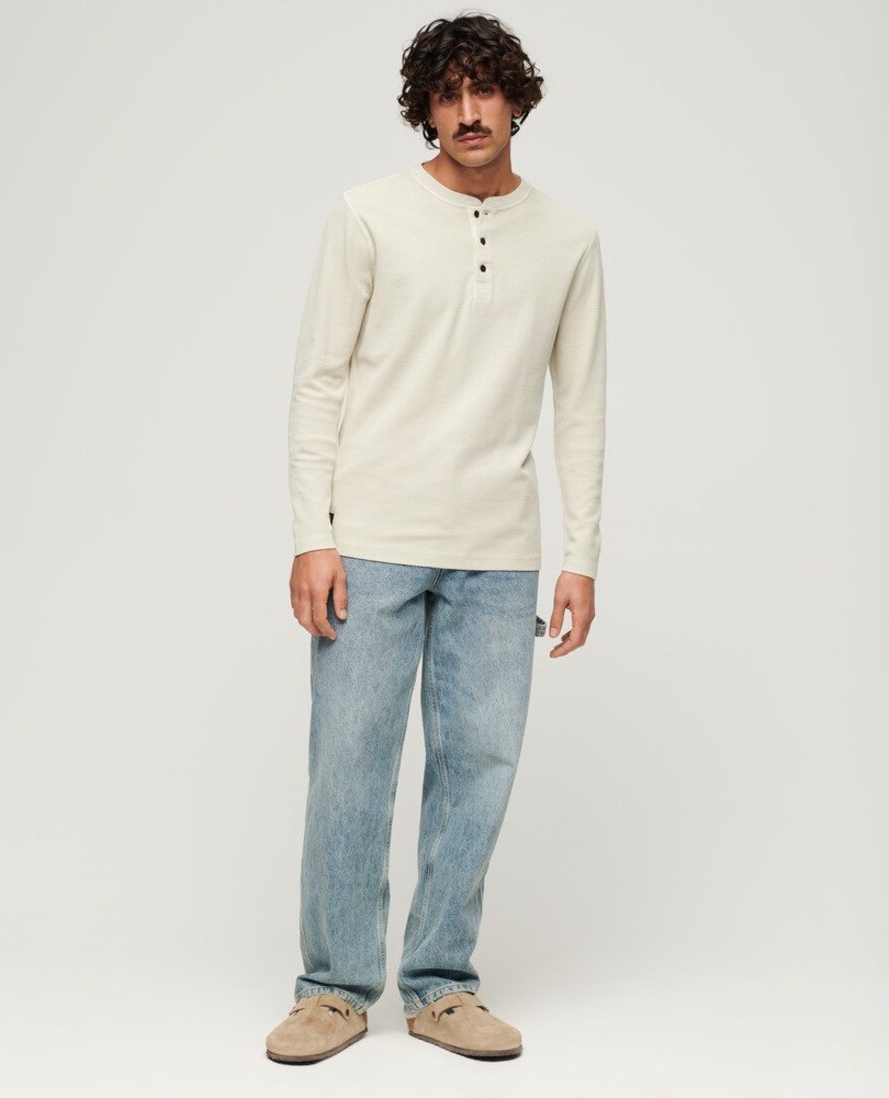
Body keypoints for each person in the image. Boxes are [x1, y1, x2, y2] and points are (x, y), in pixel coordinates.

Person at [265, 11, 608, 1064]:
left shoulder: (568, 239)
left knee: (479, 767)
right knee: (350, 766)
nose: (468, 111)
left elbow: (581, 406)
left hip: (499, 550)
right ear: (427, 107)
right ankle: (333, 990)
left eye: (484, 90)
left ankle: (442, 985)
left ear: (516, 100)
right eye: (448, 93)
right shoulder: (367, 215)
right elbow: (320, 379)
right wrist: (312, 533)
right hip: (370, 537)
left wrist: (582, 555)